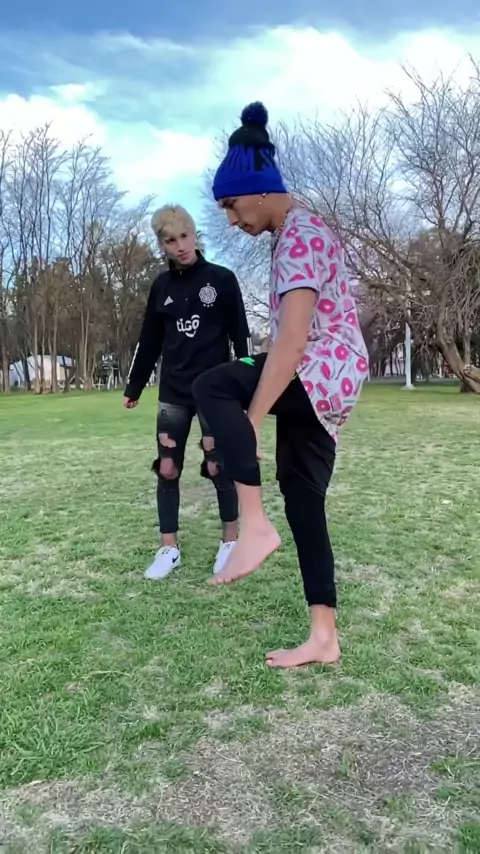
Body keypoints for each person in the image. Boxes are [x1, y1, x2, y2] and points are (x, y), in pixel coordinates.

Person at [193, 103, 369, 668]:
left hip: (321, 367)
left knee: (214, 386)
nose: (231, 219)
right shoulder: (297, 233)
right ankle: (324, 637)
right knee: (303, 496)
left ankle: (253, 524)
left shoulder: (299, 237)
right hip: (332, 377)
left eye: (231, 205)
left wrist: (248, 420)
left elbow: (291, 344)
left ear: (260, 191)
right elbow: (289, 336)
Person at [124, 204, 251, 579]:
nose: (179, 246)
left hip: (215, 390)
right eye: (170, 240)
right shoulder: (161, 288)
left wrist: (246, 382)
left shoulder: (221, 280)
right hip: (174, 392)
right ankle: (169, 549)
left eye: (184, 236)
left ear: (195, 236)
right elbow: (149, 341)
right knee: (167, 468)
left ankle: (230, 542)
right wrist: (135, 386)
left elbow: (241, 335)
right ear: (162, 245)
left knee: (218, 465)